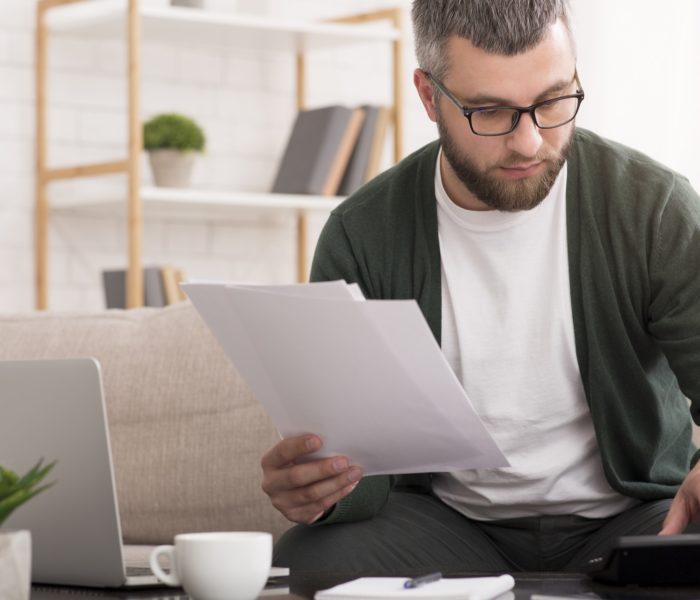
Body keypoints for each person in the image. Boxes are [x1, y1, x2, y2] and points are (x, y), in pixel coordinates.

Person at [262, 0, 700, 573]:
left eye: (552, 101)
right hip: (450, 530)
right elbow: (355, 453)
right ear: (428, 97)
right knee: (311, 562)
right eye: (490, 112)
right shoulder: (362, 233)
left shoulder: (652, 208)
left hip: (633, 516)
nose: (530, 142)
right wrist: (318, 490)